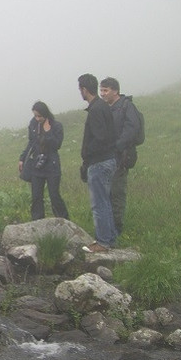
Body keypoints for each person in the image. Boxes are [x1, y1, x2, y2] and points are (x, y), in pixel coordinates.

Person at [78, 74, 117, 253]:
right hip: (109, 159)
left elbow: (100, 137)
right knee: (105, 201)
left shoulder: (95, 110)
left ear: (84, 89)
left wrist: (86, 153)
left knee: (99, 203)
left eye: (80, 89)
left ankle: (102, 242)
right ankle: (110, 238)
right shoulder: (103, 106)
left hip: (99, 162)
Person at [99, 77, 140, 236]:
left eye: (105, 90)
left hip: (121, 157)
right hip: (106, 158)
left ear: (115, 91)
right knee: (106, 193)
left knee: (116, 193)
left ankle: (116, 230)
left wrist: (117, 146)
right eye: (101, 90)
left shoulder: (126, 106)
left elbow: (132, 128)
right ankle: (108, 228)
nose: (102, 94)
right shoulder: (105, 108)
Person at [18, 101, 69, 221]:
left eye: (39, 116)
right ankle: (37, 221)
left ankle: (64, 221)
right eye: (35, 116)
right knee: (36, 196)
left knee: (54, 196)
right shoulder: (33, 125)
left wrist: (47, 132)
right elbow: (31, 143)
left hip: (52, 165)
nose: (37, 118)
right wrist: (22, 158)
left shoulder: (56, 126)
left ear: (45, 114)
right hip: (37, 165)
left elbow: (57, 145)